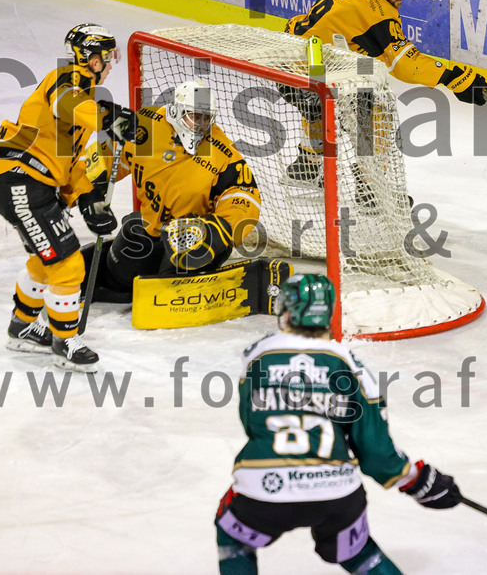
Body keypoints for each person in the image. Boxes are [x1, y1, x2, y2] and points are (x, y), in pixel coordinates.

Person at [214, 273, 461, 574]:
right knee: (357, 552)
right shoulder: (349, 363)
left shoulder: (257, 355)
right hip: (336, 492)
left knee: (232, 533)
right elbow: (374, 448)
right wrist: (413, 478)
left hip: (265, 487)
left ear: (287, 312)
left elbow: (252, 422)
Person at [0, 23, 136, 371]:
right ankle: (64, 340)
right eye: (108, 56)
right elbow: (64, 104)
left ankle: (22, 326)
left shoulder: (86, 100)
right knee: (68, 263)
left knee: (45, 259)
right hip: (19, 180)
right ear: (91, 57)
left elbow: (70, 165)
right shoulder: (65, 80)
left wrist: (88, 200)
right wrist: (107, 116)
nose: (111, 63)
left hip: (34, 184)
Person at [282, 0, 487, 184]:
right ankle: (370, 188)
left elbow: (357, 44)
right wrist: (454, 77)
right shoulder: (377, 13)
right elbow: (405, 65)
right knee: (374, 111)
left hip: (292, 64)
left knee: (344, 89)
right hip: (311, 73)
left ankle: (305, 167)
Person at [80, 78, 263, 303]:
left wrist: (220, 230)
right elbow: (105, 156)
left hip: (195, 238)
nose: (200, 125)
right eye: (195, 116)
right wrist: (88, 192)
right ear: (176, 111)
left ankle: (186, 283)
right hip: (152, 229)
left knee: (183, 253)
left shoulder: (221, 151)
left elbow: (243, 196)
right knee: (127, 252)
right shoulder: (146, 126)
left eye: (206, 118)